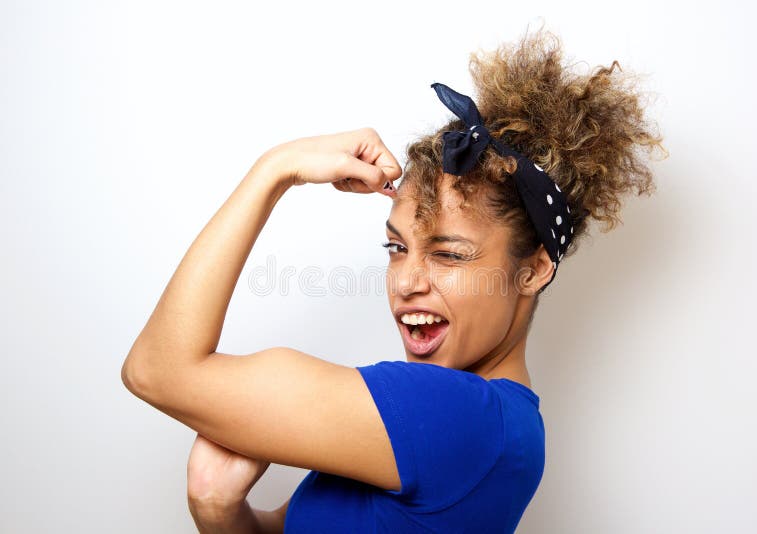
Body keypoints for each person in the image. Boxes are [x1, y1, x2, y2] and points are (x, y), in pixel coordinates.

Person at [121, 27, 666, 533]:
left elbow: (156, 369)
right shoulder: (463, 431)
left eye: (449, 255)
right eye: (396, 247)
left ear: (534, 268)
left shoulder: (460, 419)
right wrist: (219, 508)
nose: (406, 283)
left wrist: (275, 168)